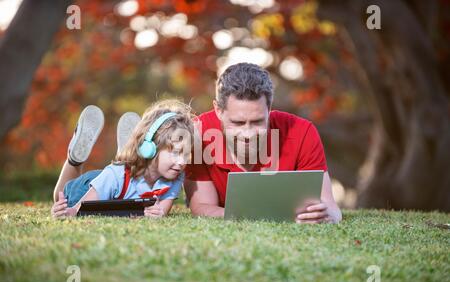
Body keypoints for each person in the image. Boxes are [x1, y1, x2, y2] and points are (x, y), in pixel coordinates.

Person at [184, 62, 342, 224]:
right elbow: (202, 207)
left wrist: (325, 216)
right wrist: (260, 217)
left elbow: (329, 206)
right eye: (238, 123)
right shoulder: (199, 133)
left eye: (258, 122)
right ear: (218, 111)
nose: (248, 134)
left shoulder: (302, 132)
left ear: (269, 109)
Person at [51, 99, 194, 218]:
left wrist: (157, 213)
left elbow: (162, 210)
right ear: (150, 147)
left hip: (118, 185)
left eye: (186, 154)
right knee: (60, 197)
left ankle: (126, 154)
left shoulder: (175, 174)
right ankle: (74, 160)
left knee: (117, 181)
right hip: (89, 186)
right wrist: (68, 212)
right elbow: (77, 210)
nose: (182, 162)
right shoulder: (115, 175)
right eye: (175, 152)